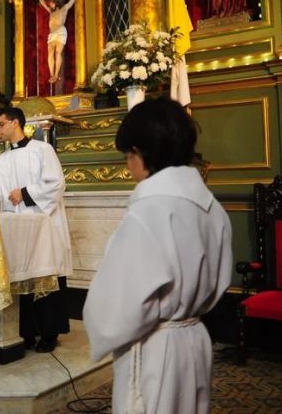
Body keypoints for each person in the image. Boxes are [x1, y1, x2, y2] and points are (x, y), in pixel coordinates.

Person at [83, 96, 232, 413]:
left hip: (156, 350)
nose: (128, 163)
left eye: (128, 154)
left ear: (140, 152)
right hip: (194, 339)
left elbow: (119, 306)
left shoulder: (150, 212)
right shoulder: (211, 208)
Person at [0, 107, 72, 352]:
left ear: (15, 122)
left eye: (0, 124)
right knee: (22, 276)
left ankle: (49, 333)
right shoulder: (1, 161)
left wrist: (25, 194)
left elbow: (56, 183)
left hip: (42, 225)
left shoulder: (42, 150)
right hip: (17, 229)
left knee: (45, 274)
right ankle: (26, 331)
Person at [36, 0, 75, 84]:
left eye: (51, 3)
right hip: (52, 34)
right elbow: (43, 3)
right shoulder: (51, 12)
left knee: (58, 53)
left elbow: (71, 2)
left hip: (61, 31)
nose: (50, 5)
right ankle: (51, 74)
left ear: (56, 3)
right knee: (50, 52)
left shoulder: (63, 9)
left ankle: (56, 75)